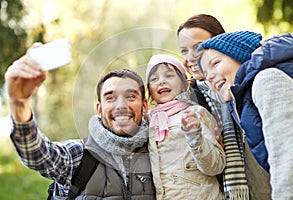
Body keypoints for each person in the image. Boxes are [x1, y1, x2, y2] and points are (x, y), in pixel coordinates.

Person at [5, 44, 156, 199]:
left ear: (144, 106)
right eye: (110, 98)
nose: (121, 106)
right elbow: (37, 154)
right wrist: (20, 103)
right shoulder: (80, 155)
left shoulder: (158, 153)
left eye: (130, 97)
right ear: (99, 109)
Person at [197, 30, 293, 199]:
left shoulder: (268, 80)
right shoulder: (243, 101)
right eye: (206, 75)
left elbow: (290, 159)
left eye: (215, 63)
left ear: (238, 54)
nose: (211, 77)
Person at [177, 14, 251, 200]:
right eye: (184, 51)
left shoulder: (243, 86)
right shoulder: (186, 100)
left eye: (198, 47)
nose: (191, 57)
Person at [146, 54, 225, 200]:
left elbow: (216, 166)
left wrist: (196, 137)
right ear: (149, 90)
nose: (161, 81)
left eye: (169, 75)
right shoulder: (148, 122)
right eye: (154, 79)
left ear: (184, 84)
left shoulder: (195, 114)